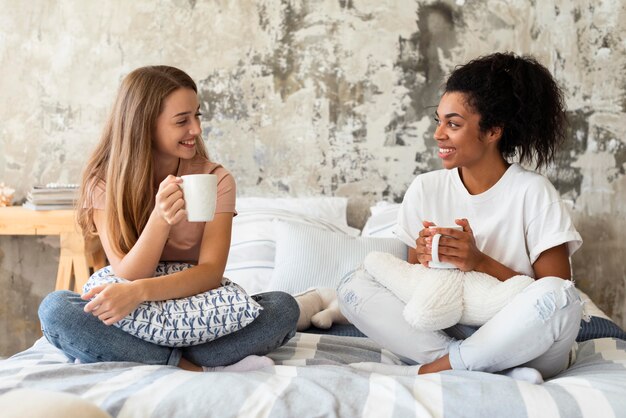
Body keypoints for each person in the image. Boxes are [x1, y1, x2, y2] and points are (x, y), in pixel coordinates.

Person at [338, 52, 584, 383]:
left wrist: (479, 262)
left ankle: (430, 370)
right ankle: (488, 366)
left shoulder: (534, 192)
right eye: (438, 121)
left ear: (493, 130)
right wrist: (425, 259)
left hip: (523, 334)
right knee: (352, 286)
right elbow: (416, 290)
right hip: (448, 329)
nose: (439, 134)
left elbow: (552, 288)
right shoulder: (426, 188)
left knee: (560, 298)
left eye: (453, 124)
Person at [38, 65, 299, 372]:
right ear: (145, 125)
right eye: (182, 121)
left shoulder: (216, 179)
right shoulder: (104, 182)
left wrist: (140, 293)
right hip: (132, 311)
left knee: (283, 308)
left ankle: (147, 355)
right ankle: (181, 361)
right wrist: (160, 220)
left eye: (196, 116)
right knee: (55, 309)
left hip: (195, 307)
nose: (197, 130)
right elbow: (127, 273)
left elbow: (211, 273)